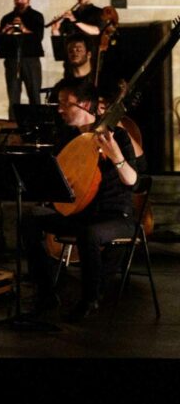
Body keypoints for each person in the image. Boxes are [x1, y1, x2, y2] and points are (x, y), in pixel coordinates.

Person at [20, 81, 137, 321]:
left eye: (65, 103)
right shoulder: (67, 138)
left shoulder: (117, 135)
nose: (59, 109)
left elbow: (132, 181)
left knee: (89, 233)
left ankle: (90, 299)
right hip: (79, 213)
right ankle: (46, 292)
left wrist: (116, 156)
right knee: (29, 218)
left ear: (84, 104)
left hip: (115, 216)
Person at [0, 0, 45, 120]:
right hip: (12, 60)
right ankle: (13, 124)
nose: (19, 0)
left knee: (34, 94)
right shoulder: (7, 18)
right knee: (13, 96)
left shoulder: (36, 16)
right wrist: (5, 31)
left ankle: (37, 124)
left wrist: (23, 28)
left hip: (31, 60)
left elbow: (38, 37)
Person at [47, 35, 95, 103]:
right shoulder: (62, 86)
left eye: (79, 50)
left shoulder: (100, 80)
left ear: (89, 54)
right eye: (70, 51)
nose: (74, 52)